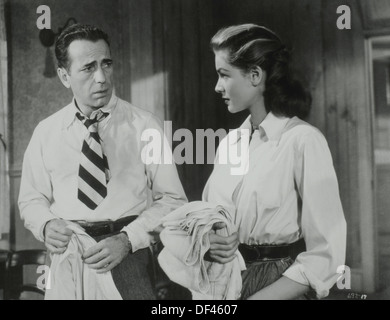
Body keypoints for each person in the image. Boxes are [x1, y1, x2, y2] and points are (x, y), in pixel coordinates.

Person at [18, 24, 187, 299]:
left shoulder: (145, 126)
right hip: (69, 257)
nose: (101, 77)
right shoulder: (46, 132)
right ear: (64, 76)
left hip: (127, 256)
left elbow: (173, 201)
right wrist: (46, 224)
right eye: (88, 68)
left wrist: (127, 240)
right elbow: (31, 199)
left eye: (106, 64)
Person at [202, 24, 347, 300]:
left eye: (224, 75)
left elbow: (327, 253)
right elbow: (209, 219)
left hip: (277, 285)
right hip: (223, 282)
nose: (217, 86)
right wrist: (209, 242)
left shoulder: (303, 140)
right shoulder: (229, 144)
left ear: (255, 76)